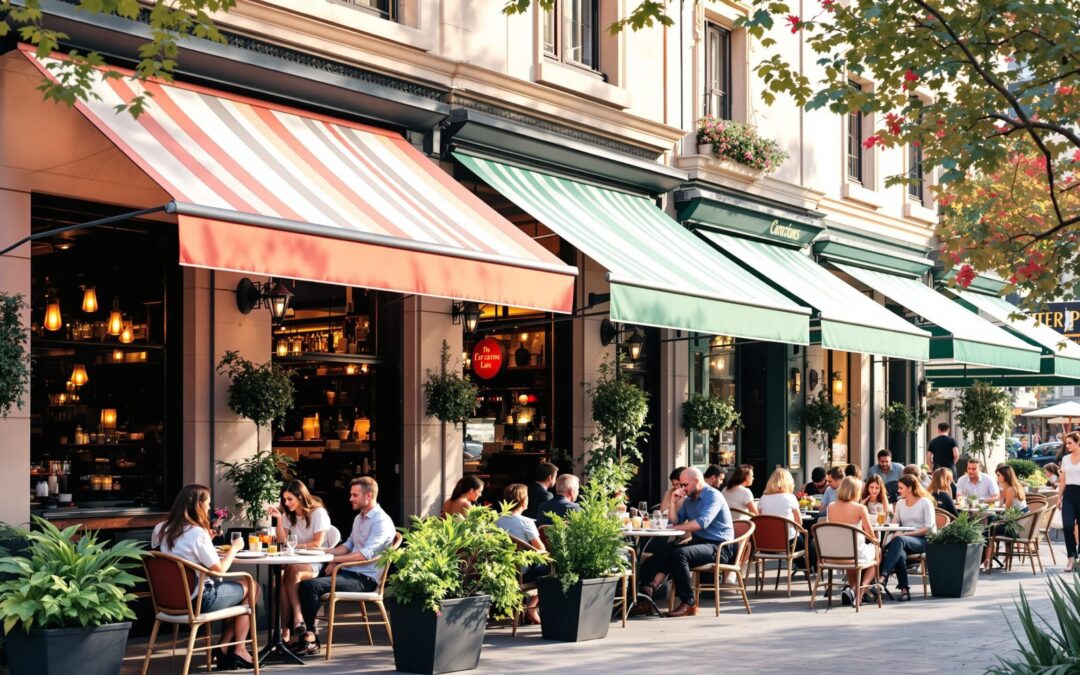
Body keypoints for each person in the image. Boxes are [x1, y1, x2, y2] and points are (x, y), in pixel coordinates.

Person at [152, 485, 257, 669]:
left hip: (169, 602)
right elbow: (220, 571)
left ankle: (223, 647)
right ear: (198, 505)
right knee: (253, 586)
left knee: (243, 593)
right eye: (207, 503)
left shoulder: (161, 528)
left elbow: (176, 555)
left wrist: (206, 540)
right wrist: (235, 548)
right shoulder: (197, 533)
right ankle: (238, 649)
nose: (209, 507)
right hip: (199, 600)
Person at [296, 477, 394, 655]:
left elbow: (364, 555)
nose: (350, 498)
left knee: (310, 586)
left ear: (369, 495)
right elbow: (348, 545)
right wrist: (326, 553)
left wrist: (336, 562)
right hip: (348, 572)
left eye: (354, 495)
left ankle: (309, 636)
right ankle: (296, 635)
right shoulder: (359, 518)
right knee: (299, 580)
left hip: (365, 579)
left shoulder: (382, 522)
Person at [637, 467, 733, 617]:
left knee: (680, 554)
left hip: (719, 546)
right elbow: (675, 521)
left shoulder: (714, 496)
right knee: (663, 552)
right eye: (681, 485)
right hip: (699, 543)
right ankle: (646, 596)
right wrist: (674, 503)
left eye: (685, 485)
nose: (682, 488)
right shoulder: (689, 500)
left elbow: (700, 524)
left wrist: (676, 526)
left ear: (696, 481)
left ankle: (689, 603)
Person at [266, 480, 331, 644]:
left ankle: (295, 618)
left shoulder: (318, 513)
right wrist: (279, 520)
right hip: (295, 562)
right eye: (284, 500)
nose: (286, 503)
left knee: (291, 570)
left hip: (316, 562)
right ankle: (287, 628)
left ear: (301, 497)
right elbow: (281, 540)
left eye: (290, 499)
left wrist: (293, 546)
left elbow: (317, 543)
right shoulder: (288, 513)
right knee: (278, 584)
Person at [496, 484, 548, 624]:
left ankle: (527, 609)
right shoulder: (525, 522)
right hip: (521, 572)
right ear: (523, 500)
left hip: (502, 570)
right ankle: (532, 607)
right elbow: (541, 550)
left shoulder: (495, 520)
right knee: (553, 569)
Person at [823, 477, 879, 606]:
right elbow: (871, 535)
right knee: (878, 551)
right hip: (853, 554)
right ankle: (861, 593)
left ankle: (853, 589)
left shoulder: (831, 507)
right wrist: (876, 540)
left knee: (848, 549)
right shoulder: (860, 508)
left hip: (834, 555)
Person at [880, 475, 935, 602]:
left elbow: (928, 528)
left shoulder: (925, 502)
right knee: (899, 554)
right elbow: (895, 524)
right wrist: (889, 521)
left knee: (899, 541)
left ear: (910, 488)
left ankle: (882, 578)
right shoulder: (900, 503)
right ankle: (904, 591)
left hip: (923, 540)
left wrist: (903, 535)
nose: (898, 491)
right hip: (903, 542)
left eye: (901, 488)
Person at [1058, 431, 1080, 572]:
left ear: (1078, 442)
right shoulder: (1065, 459)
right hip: (1069, 494)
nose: (1067, 445)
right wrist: (1059, 497)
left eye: (1070, 443)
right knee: (1067, 526)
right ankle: (1071, 557)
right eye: (1066, 443)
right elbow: (1063, 480)